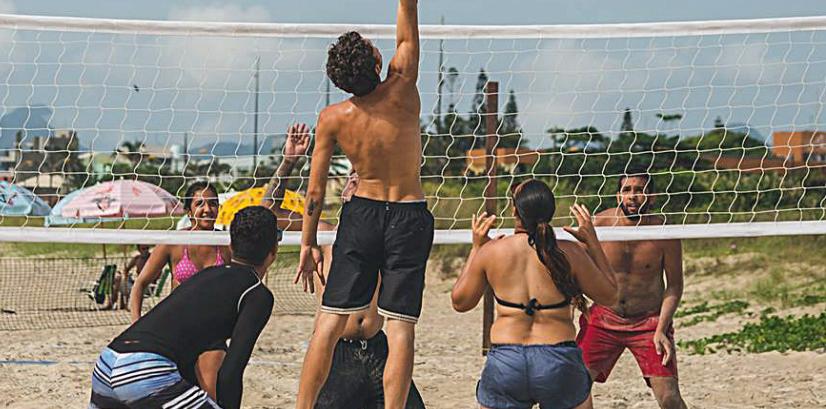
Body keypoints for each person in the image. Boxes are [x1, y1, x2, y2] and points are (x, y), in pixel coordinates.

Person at [295, 0, 430, 409]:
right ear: (376, 58)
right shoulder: (402, 84)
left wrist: (308, 244)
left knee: (327, 324)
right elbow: (408, 3)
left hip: (363, 211)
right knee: (400, 330)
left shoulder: (333, 119)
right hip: (408, 213)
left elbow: (313, 193)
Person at [263, 152, 425, 409]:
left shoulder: (388, 239)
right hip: (337, 350)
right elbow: (269, 210)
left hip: (377, 348)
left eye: (363, 183)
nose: (355, 186)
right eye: (352, 181)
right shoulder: (326, 234)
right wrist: (289, 162)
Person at [89, 206, 279, 409]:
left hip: (106, 364)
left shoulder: (206, 276)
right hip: (144, 372)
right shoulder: (258, 294)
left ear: (231, 245)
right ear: (274, 251)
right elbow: (231, 372)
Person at [451, 179, 618, 409]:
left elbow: (460, 302)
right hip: (558, 359)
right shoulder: (569, 251)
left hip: (507, 361)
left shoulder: (493, 251)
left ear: (515, 210)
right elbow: (610, 296)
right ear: (550, 211)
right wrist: (592, 242)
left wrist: (476, 248)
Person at [577, 167, 688, 409]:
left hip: (649, 322)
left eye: (640, 190)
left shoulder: (664, 233)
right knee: (574, 387)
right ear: (618, 196)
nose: (633, 196)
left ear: (652, 197)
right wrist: (577, 298)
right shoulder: (598, 225)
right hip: (604, 317)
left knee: (670, 398)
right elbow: (575, 269)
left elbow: (675, 286)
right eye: (627, 190)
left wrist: (662, 328)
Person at [129, 180, 228, 321]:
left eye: (213, 203)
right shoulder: (173, 242)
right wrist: (136, 324)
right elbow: (140, 284)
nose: (207, 209)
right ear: (188, 211)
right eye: (199, 204)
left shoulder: (227, 243)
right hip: (177, 325)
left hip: (214, 328)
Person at [103, 245, 156, 310]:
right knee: (119, 278)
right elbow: (126, 270)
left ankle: (112, 302)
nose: (146, 251)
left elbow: (158, 274)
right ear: (139, 249)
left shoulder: (152, 259)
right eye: (143, 249)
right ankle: (119, 303)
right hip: (138, 284)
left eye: (147, 248)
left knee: (118, 281)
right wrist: (126, 275)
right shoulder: (137, 259)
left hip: (146, 287)